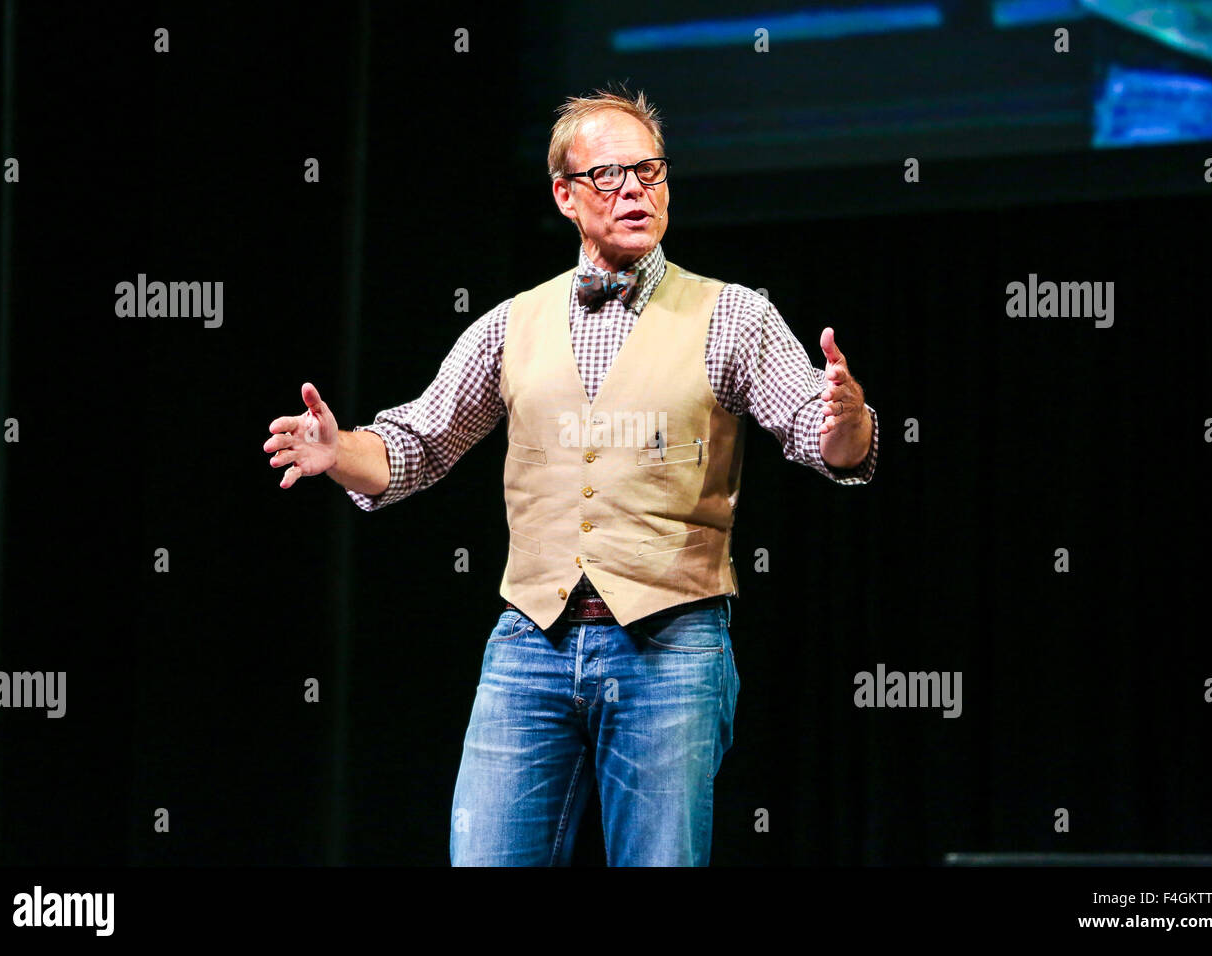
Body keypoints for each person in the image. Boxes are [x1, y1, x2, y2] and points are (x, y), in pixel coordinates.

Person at [263, 88, 878, 866]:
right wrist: (337, 447)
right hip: (530, 643)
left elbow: (825, 440)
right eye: (610, 175)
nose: (634, 191)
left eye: (650, 173)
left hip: (671, 640)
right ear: (565, 195)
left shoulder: (732, 317)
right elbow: (417, 444)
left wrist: (846, 421)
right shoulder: (511, 323)